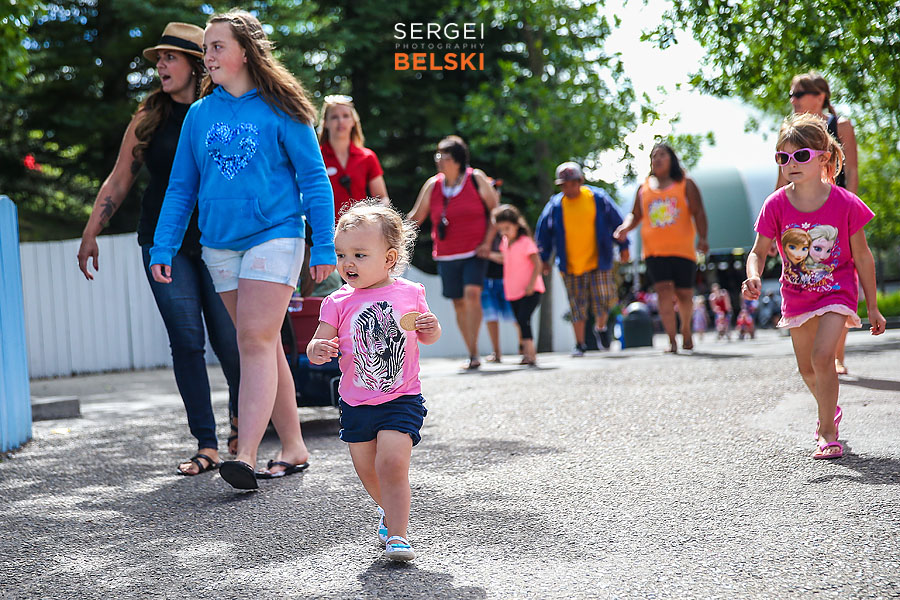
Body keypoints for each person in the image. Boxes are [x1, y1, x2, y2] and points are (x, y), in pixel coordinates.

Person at [149, 10, 335, 489]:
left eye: (216, 46)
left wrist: (324, 244)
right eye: (207, 48)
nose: (208, 56)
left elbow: (314, 179)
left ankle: (246, 453)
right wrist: (163, 245)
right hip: (218, 244)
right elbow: (180, 187)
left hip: (276, 233)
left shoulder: (282, 107)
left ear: (245, 51)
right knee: (265, 344)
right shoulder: (199, 114)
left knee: (251, 340)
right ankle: (293, 446)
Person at [76, 22, 241, 476]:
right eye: (159, 60)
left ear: (196, 63)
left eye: (170, 58)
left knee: (231, 340)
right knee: (187, 342)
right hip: (162, 242)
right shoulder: (149, 116)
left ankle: (240, 426)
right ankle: (206, 444)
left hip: (218, 240)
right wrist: (92, 230)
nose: (161, 66)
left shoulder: (222, 109)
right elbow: (120, 178)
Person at [742, 112, 885, 460]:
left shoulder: (845, 203)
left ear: (822, 156)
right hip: (797, 297)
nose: (791, 164)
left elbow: (863, 257)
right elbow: (758, 251)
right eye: (783, 157)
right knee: (807, 369)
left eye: (801, 155)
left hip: (838, 291)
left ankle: (827, 432)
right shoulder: (774, 205)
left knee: (824, 358)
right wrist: (754, 274)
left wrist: (873, 305)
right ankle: (829, 407)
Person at [307, 200, 441, 562]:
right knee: (366, 468)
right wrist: (318, 348)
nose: (348, 263)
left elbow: (427, 333)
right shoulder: (336, 301)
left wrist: (431, 327)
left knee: (391, 463)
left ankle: (398, 534)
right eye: (341, 254)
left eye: (360, 255)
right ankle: (390, 509)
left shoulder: (410, 293)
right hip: (355, 403)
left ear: (389, 258)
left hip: (401, 398)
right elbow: (318, 340)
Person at [777, 72, 859, 374]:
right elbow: (781, 181)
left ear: (820, 96)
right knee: (812, 277)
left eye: (799, 94)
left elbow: (851, 173)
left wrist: (851, 217)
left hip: (836, 214)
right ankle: (821, 353)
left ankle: (837, 355)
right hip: (801, 219)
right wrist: (773, 227)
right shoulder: (790, 132)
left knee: (840, 278)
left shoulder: (841, 126)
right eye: (792, 95)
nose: (793, 100)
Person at [408, 135, 499, 370]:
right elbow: (416, 217)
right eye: (437, 155)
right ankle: (472, 352)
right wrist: (388, 231)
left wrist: (488, 242)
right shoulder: (433, 185)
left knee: (472, 295)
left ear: (458, 160)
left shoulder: (475, 178)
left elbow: (495, 213)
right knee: (458, 303)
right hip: (447, 254)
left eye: (445, 156)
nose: (439, 160)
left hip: (475, 251)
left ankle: (474, 350)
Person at [614, 143, 709, 353]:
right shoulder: (644, 187)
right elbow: (635, 214)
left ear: (671, 159)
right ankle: (672, 340)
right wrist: (625, 228)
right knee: (664, 293)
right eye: (653, 156)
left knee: (684, 294)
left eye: (662, 155)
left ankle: (686, 330)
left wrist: (703, 238)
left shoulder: (685, 183)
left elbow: (699, 212)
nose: (657, 159)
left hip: (683, 250)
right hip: (654, 252)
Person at [536, 162, 629, 357]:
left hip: (599, 259)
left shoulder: (598, 198)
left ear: (580, 181)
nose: (568, 188)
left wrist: (624, 246)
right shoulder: (555, 205)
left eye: (571, 183)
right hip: (570, 263)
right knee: (577, 305)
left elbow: (617, 222)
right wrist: (544, 258)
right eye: (564, 185)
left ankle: (601, 327)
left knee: (604, 298)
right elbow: (543, 233)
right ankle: (580, 344)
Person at [491, 204, 545, 366]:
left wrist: (531, 284)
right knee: (521, 321)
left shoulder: (525, 241)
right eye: (501, 230)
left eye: (507, 228)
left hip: (530, 290)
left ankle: (531, 354)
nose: (504, 232)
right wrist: (488, 255)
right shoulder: (505, 242)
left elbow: (537, 264)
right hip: (513, 291)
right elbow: (505, 258)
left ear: (516, 224)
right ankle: (526, 354)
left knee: (523, 319)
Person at [482, 231, 517, 363]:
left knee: (515, 316)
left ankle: (524, 348)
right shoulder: (480, 231)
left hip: (506, 279)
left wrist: (487, 253)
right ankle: (496, 352)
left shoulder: (507, 233)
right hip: (485, 279)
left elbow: (507, 257)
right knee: (490, 317)